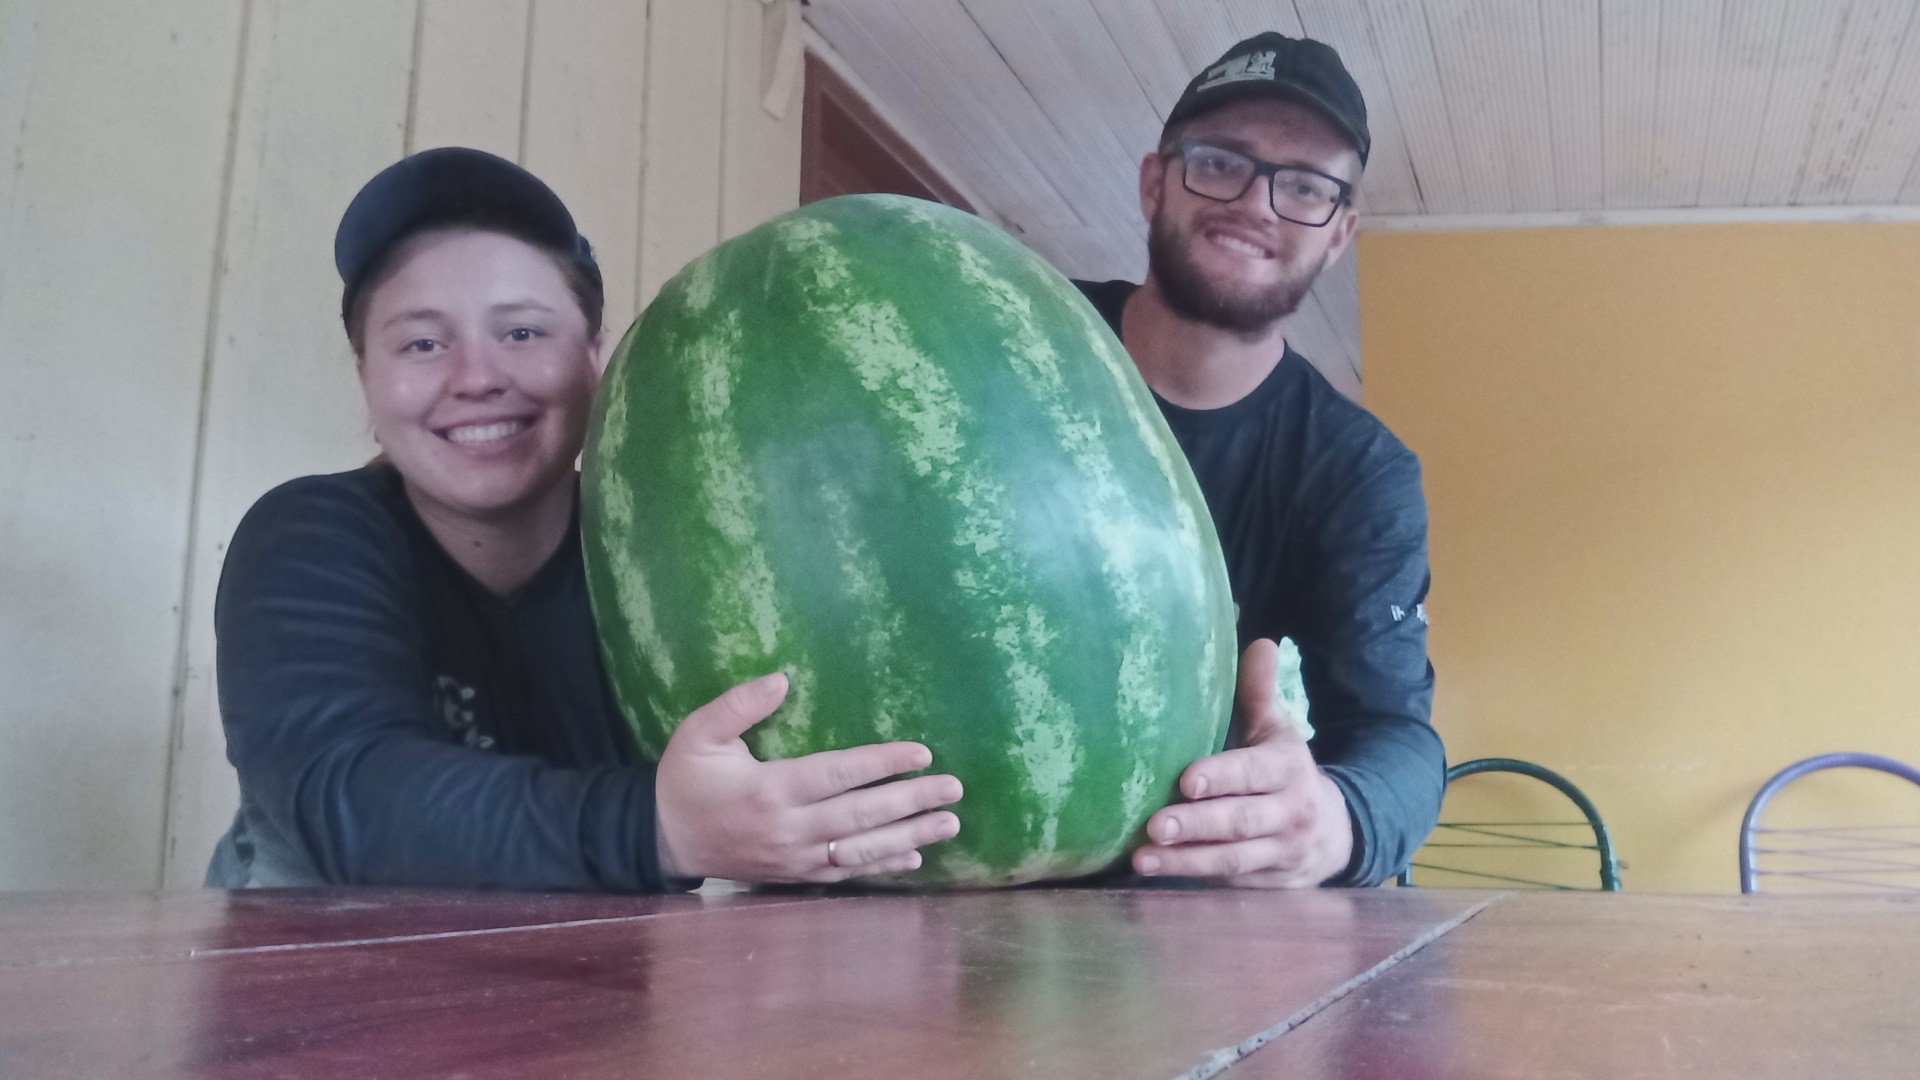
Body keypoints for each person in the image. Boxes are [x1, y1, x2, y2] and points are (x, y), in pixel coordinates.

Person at [205, 147, 963, 891]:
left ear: (594, 358)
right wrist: (659, 830)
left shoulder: (682, 552)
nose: (476, 379)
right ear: (367, 378)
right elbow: (345, 795)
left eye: (522, 332)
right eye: (423, 343)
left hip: (606, 992)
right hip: (328, 981)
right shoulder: (310, 535)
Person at [1076, 33, 1445, 888]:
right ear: (1154, 181)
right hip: (925, 874)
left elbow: (1397, 736)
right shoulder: (1010, 340)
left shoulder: (1358, 473)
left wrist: (1335, 822)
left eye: (1307, 186)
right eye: (1219, 162)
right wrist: (689, 837)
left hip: (1178, 908)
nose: (1258, 203)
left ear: (1340, 232)